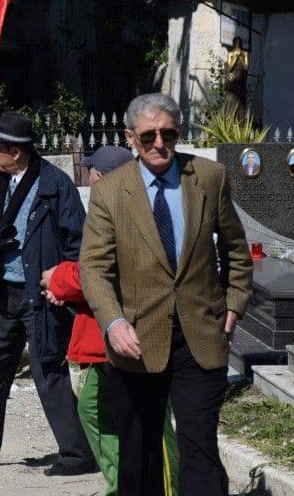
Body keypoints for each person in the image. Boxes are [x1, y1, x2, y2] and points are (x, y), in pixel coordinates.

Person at [81, 93, 253, 495]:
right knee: (138, 454)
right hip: (137, 341)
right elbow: (94, 268)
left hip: (201, 336)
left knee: (199, 449)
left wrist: (234, 303)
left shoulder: (209, 178)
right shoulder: (110, 194)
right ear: (130, 138)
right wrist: (113, 321)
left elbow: (236, 250)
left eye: (169, 133)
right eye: (148, 136)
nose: (159, 143)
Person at [0, 111, 97, 477]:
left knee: (48, 372)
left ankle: (77, 453)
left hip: (40, 295)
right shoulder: (1, 180)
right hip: (2, 295)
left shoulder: (55, 186)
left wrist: (64, 284)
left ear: (18, 152)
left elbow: (76, 243)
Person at [41, 145, 180, 495]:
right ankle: (123, 484)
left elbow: (100, 270)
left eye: (91, 172)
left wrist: (58, 279)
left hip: (136, 334)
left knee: (153, 425)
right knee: (94, 409)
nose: (87, 177)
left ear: (100, 176)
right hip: (103, 336)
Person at [224, 37, 249, 119]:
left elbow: (246, 67)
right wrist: (235, 57)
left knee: (241, 101)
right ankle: (230, 118)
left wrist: (240, 57)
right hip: (234, 79)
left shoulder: (245, 53)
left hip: (241, 79)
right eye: (236, 42)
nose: (238, 44)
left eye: (239, 42)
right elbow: (230, 68)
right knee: (232, 98)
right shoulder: (230, 53)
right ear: (233, 43)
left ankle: (241, 119)